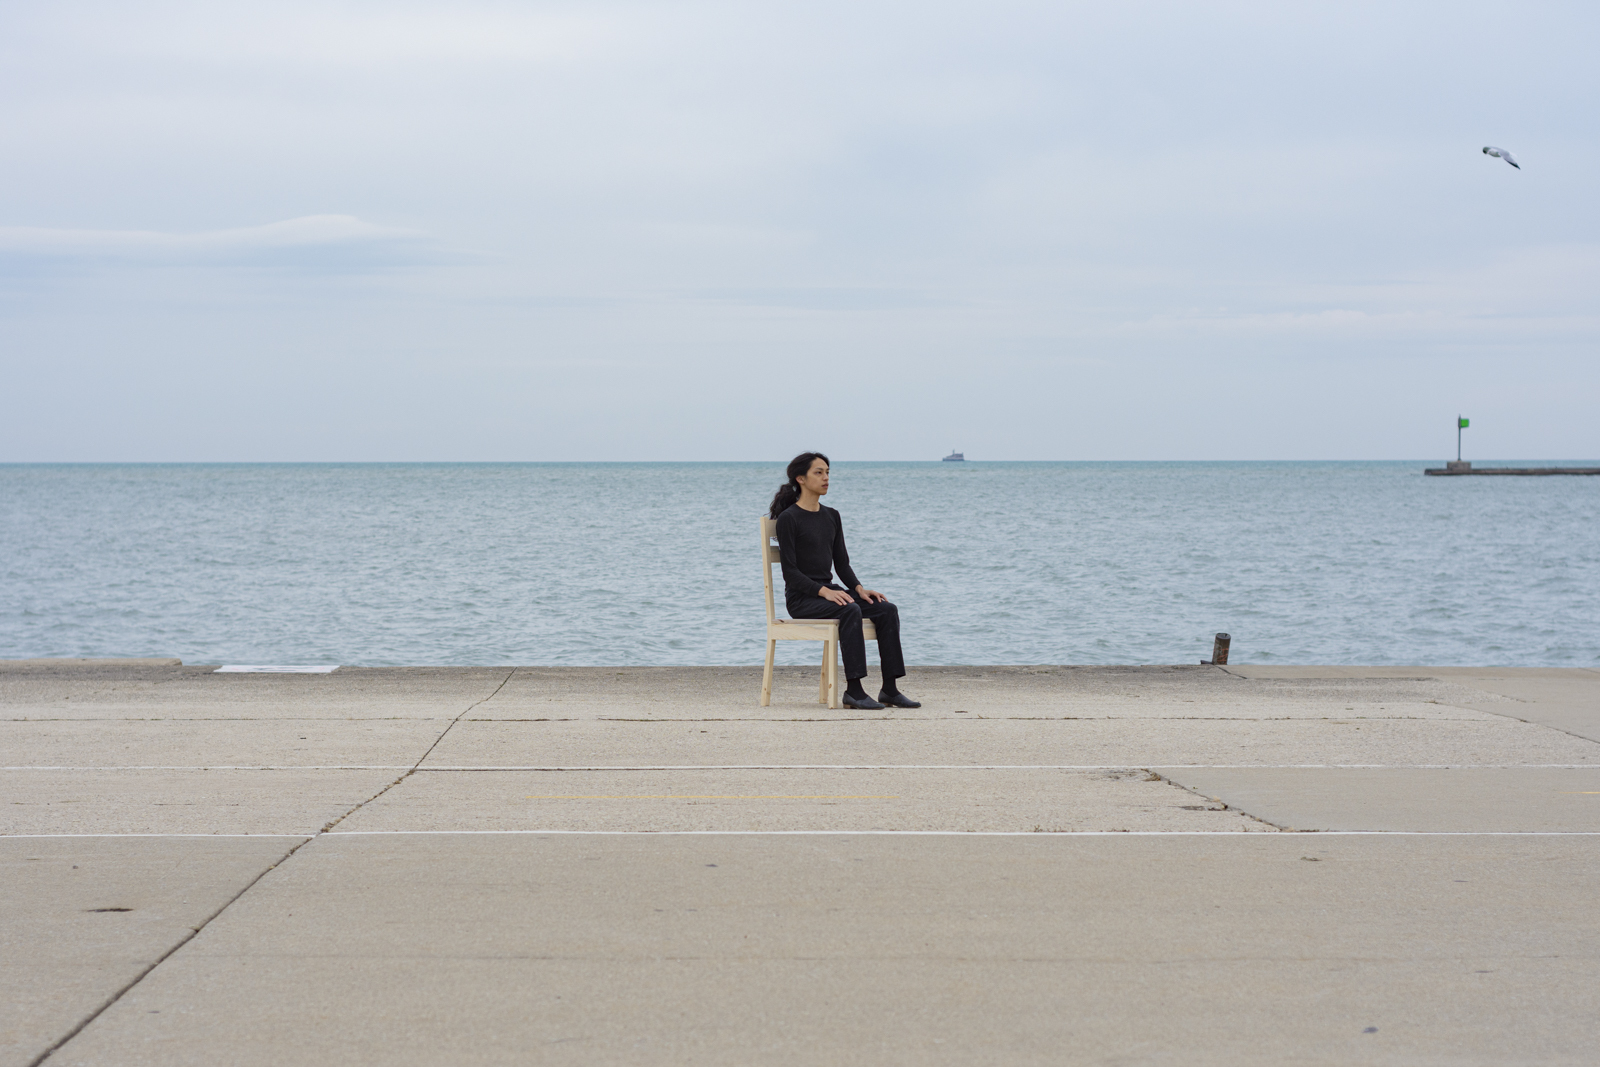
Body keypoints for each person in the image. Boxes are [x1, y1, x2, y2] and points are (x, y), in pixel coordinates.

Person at [769, 452, 920, 710]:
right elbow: (790, 573)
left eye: (827, 472)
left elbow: (842, 564)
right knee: (849, 609)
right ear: (801, 479)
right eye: (819, 472)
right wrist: (823, 591)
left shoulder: (831, 516)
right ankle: (854, 691)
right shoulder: (789, 519)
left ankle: (890, 689)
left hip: (830, 594)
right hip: (802, 599)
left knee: (885, 609)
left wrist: (859, 589)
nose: (826, 478)